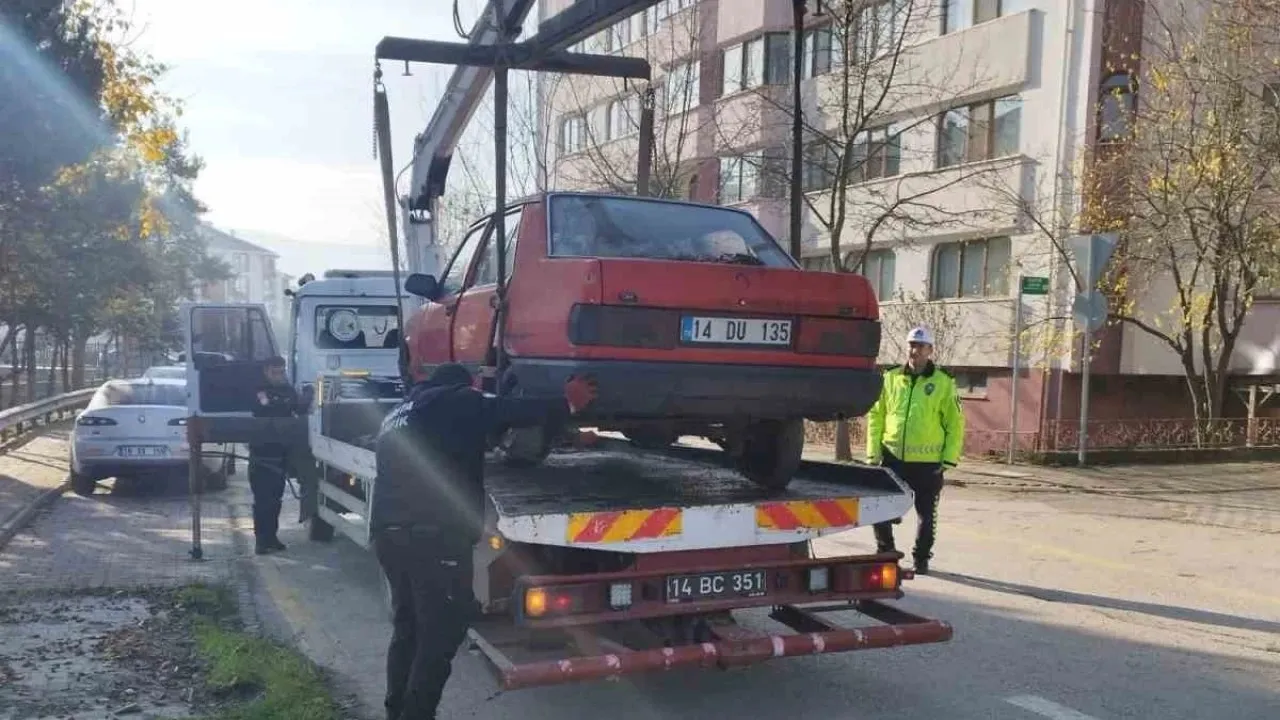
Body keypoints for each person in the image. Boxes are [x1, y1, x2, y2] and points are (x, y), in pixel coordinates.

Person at [371, 363, 598, 720]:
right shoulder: (456, 400)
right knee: (442, 633)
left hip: (389, 535)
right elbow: (509, 411)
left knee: (408, 628)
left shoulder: (401, 412)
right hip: (433, 538)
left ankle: (396, 710)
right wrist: (566, 402)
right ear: (466, 385)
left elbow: (469, 439)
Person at [864, 327, 965, 575]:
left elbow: (955, 423)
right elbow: (877, 416)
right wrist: (873, 453)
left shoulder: (943, 382)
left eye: (920, 346)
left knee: (926, 515)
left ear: (930, 350)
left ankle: (921, 558)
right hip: (892, 458)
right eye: (911, 345)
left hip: (928, 463)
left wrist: (949, 459)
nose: (915, 350)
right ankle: (886, 551)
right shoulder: (891, 378)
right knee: (880, 507)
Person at [248, 356, 306, 555]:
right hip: (261, 455)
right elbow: (265, 407)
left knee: (276, 499)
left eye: (282, 372)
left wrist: (306, 398)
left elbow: (296, 408)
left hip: (280, 454)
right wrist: (282, 404)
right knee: (262, 501)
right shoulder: (258, 389)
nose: (279, 376)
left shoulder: (288, 390)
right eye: (275, 372)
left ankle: (272, 537)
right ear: (266, 371)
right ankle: (261, 541)